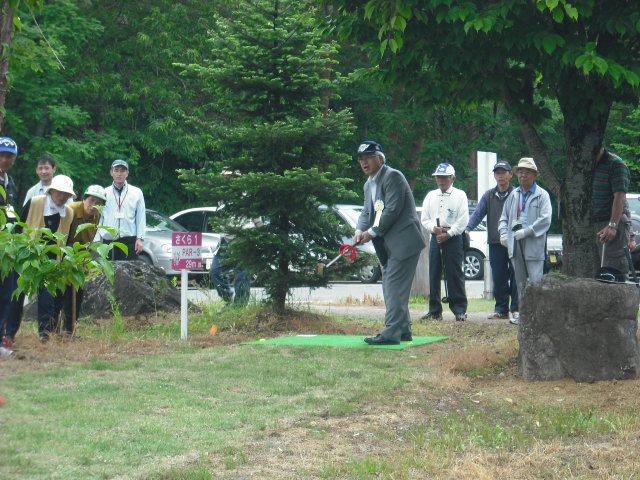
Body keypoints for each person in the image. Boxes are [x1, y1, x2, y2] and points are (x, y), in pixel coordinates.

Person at [354, 140, 426, 345]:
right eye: (361, 159)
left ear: (380, 158)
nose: (364, 162)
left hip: (404, 243)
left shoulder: (393, 176)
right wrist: (359, 230)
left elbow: (392, 210)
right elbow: (367, 212)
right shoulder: (369, 184)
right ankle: (403, 330)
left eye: (368, 157)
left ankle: (390, 333)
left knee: (393, 287)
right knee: (391, 286)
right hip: (387, 246)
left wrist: (372, 232)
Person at [11, 175, 76, 342]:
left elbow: (67, 240)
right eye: (59, 193)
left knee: (47, 299)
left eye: (66, 194)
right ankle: (9, 333)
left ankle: (45, 336)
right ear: (52, 190)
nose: (62, 197)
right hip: (27, 257)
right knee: (16, 297)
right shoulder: (35, 202)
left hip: (50, 262)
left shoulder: (68, 213)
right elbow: (18, 226)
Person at [498, 157, 552, 324]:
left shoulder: (542, 195)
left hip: (533, 244)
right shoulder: (514, 194)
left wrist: (527, 231)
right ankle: (524, 315)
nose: (522, 174)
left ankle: (538, 317)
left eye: (527, 172)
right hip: (515, 244)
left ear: (535, 175)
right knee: (520, 283)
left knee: (536, 281)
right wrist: (503, 234)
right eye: (520, 171)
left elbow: (546, 219)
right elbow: (504, 217)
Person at [466, 160, 519, 323]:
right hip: (495, 242)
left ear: (510, 175)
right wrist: (468, 228)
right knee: (499, 277)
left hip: (515, 241)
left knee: (517, 275)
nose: (501, 176)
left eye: (504, 172)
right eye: (498, 173)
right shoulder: (488, 195)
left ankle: (516, 309)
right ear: (494, 176)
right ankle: (501, 309)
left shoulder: (517, 193)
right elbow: (478, 213)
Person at [420, 163, 469, 321]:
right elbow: (425, 219)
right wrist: (433, 229)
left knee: (454, 272)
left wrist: (449, 233)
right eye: (438, 177)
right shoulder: (431, 195)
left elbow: (463, 220)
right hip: (436, 235)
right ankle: (434, 310)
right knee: (434, 272)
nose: (441, 180)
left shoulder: (460, 195)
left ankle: (459, 309)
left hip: (453, 236)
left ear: (452, 178)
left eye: (444, 177)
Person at [60, 185, 107, 336]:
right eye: (91, 200)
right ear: (84, 199)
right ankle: (52, 328)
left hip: (80, 257)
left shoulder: (96, 215)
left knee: (78, 293)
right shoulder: (71, 210)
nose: (94, 205)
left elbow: (89, 240)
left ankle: (70, 329)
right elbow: (61, 235)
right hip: (63, 254)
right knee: (61, 292)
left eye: (99, 203)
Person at [94, 159, 146, 260]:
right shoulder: (104, 192)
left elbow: (140, 216)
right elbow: (98, 217)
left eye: (122, 171)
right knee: (108, 272)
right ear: (111, 173)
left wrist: (140, 238)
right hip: (108, 240)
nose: (119, 174)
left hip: (129, 240)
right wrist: (96, 240)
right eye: (116, 170)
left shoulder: (136, 192)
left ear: (127, 173)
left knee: (129, 272)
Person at [592, 147, 631, 280]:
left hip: (612, 223)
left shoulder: (615, 163)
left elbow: (620, 196)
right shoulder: (584, 162)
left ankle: (623, 301)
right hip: (593, 223)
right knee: (596, 275)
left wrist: (613, 225)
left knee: (614, 274)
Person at [0, 137, 19, 356]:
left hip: (8, 247)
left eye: (9, 156)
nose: (5, 159)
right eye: (2, 155)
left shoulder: (10, 183)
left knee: (7, 293)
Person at [210, 236, 251, 307]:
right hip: (224, 243)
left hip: (243, 242)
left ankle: (240, 307)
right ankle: (228, 300)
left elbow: (262, 225)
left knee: (242, 277)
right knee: (215, 271)